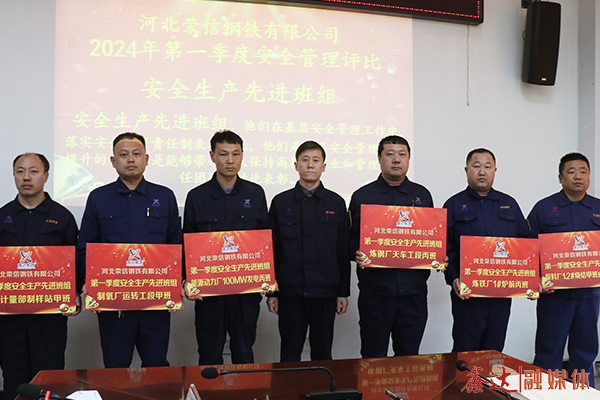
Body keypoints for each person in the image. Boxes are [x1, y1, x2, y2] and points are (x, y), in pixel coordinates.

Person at [77, 132, 182, 368]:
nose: (131, 159)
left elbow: (176, 246)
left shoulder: (164, 196)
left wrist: (178, 282)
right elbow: (85, 247)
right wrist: (89, 280)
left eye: (136, 154)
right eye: (124, 155)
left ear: (146, 159)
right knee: (115, 368)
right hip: (114, 304)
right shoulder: (99, 198)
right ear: (113, 161)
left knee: (156, 367)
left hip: (155, 303)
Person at [183, 130, 268, 365]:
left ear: (242, 155)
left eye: (235, 154)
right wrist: (187, 280)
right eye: (223, 154)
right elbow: (187, 242)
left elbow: (264, 242)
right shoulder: (197, 196)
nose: (230, 160)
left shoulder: (255, 193)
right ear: (212, 156)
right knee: (209, 354)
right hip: (209, 294)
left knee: (244, 352)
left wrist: (269, 280)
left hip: (245, 293)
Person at [0, 153, 79, 400]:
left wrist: (75, 293)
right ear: (14, 175)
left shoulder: (63, 217)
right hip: (9, 316)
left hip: (49, 316)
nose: (26, 177)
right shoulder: (2, 216)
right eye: (20, 171)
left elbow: (75, 261)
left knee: (49, 375)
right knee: (13, 375)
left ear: (45, 176)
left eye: (33, 171)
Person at [349, 135, 433, 358]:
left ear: (409, 158)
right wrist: (355, 252)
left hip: (413, 293)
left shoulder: (422, 195)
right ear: (379, 158)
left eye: (402, 154)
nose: (396, 159)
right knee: (373, 357)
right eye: (390, 154)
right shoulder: (362, 196)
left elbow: (431, 238)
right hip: (375, 294)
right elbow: (348, 239)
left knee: (409, 356)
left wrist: (438, 254)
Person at [267, 141, 350, 362]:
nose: (310, 165)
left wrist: (343, 292)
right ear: (296, 165)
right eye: (305, 160)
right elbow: (272, 249)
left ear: (324, 166)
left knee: (323, 353)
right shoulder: (280, 202)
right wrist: (272, 292)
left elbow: (342, 250)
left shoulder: (336, 203)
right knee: (289, 353)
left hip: (325, 292)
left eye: (315, 160)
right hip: (290, 292)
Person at [443, 148, 530, 352]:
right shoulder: (454, 205)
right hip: (468, 294)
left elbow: (525, 243)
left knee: (494, 350)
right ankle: (465, 376)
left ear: (495, 170)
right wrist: (453, 276)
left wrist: (530, 281)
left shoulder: (509, 204)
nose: (482, 171)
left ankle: (489, 376)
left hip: (501, 294)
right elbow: (445, 245)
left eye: (487, 167)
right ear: (467, 170)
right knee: (465, 348)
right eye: (476, 166)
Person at [528, 153, 600, 387]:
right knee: (549, 350)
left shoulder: (598, 208)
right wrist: (535, 278)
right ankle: (545, 394)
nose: (578, 176)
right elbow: (527, 248)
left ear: (589, 176)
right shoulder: (543, 208)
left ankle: (582, 393)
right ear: (560, 178)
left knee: (585, 351)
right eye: (571, 171)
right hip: (555, 296)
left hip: (589, 295)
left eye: (583, 171)